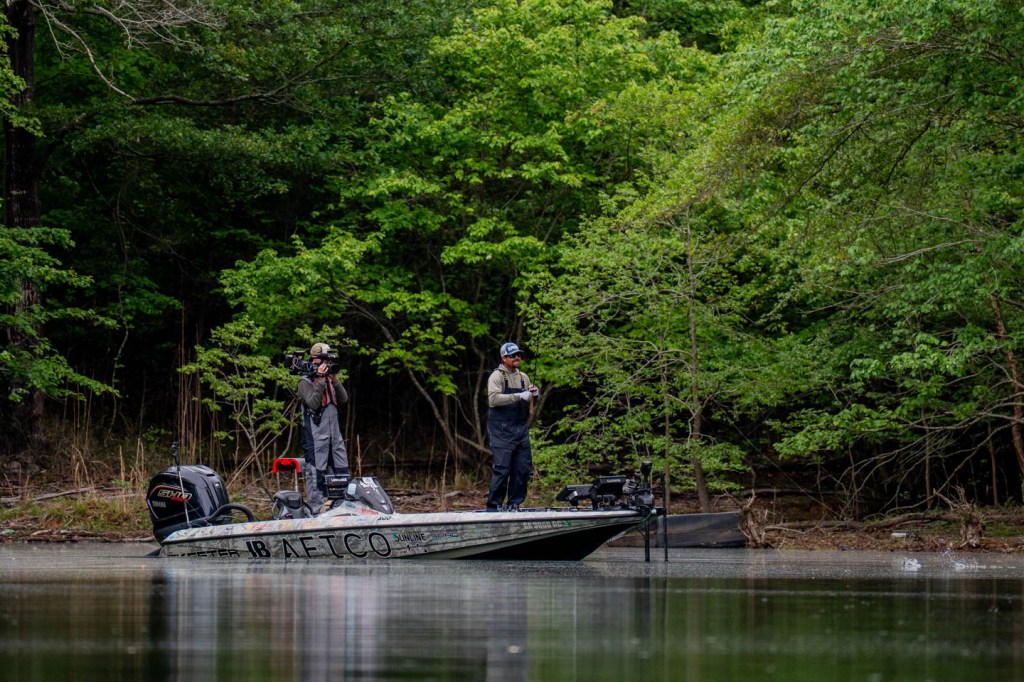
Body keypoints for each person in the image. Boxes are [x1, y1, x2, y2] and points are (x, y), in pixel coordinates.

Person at [296, 342, 351, 512]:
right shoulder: (304, 382)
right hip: (315, 437)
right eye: (325, 360)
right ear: (315, 360)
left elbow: (344, 398)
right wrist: (320, 382)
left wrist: (334, 380)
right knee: (317, 475)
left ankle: (341, 508)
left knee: (341, 471)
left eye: (329, 361)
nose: (327, 364)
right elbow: (313, 404)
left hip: (335, 438)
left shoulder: (330, 380)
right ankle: (316, 511)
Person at [485, 342, 539, 510]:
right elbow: (493, 399)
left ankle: (514, 504)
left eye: (519, 355)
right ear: (504, 358)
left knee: (522, 469)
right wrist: (518, 396)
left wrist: (535, 395)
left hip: (520, 429)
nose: (517, 357)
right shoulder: (497, 376)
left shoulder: (524, 377)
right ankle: (494, 507)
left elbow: (529, 400)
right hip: (501, 430)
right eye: (513, 355)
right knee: (502, 469)